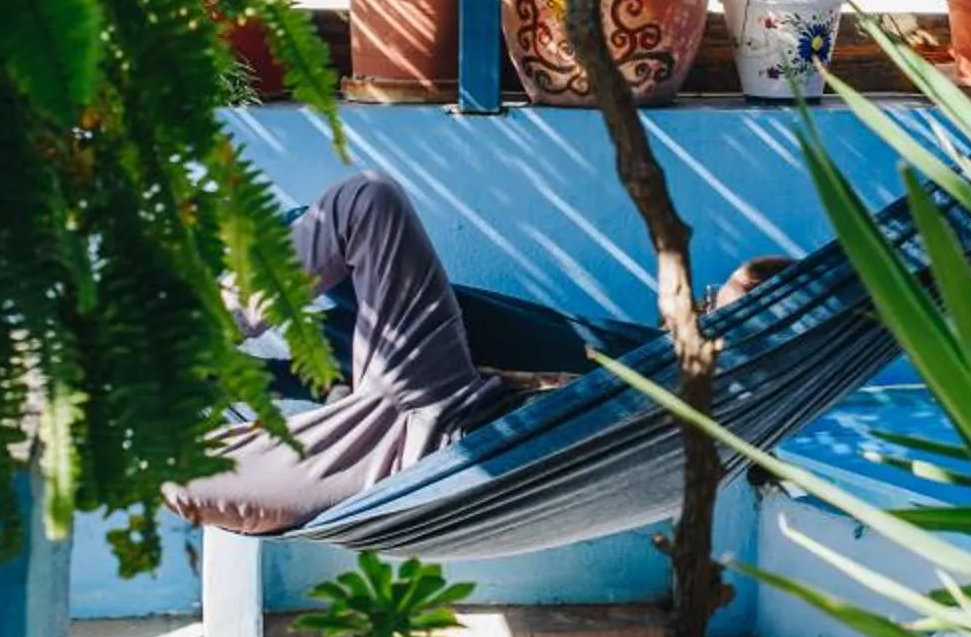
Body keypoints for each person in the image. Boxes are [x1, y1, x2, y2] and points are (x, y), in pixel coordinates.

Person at [167, 171, 788, 535]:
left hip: (436, 418)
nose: (696, 304)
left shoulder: (690, 378)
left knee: (365, 202)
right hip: (414, 426)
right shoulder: (660, 367)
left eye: (716, 303)